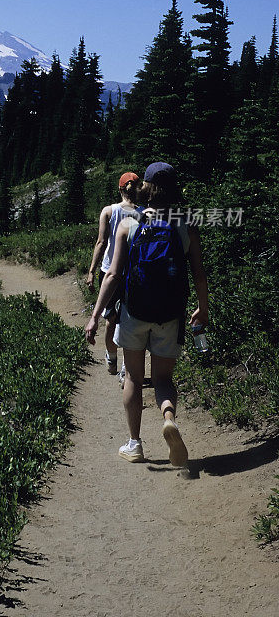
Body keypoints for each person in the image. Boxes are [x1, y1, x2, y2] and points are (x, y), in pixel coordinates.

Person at [85, 162, 209, 467]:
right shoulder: (186, 223)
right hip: (170, 314)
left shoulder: (130, 223)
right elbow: (199, 274)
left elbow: (113, 275)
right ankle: (169, 418)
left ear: (147, 188)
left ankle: (135, 444)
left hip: (134, 313)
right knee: (164, 378)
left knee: (134, 379)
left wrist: (94, 315)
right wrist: (202, 308)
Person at [86, 172, 141, 380]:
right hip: (134, 273)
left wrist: (91, 271)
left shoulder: (108, 211)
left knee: (110, 319)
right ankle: (127, 366)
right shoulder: (143, 213)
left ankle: (111, 358)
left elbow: (101, 243)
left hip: (109, 271)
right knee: (130, 320)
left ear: (120, 189)